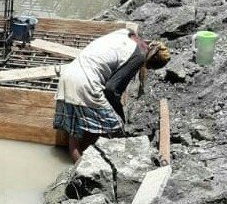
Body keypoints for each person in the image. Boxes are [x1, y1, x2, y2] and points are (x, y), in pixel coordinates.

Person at [53, 28, 170, 163]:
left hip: (67, 75)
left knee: (75, 132)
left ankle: (75, 169)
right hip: (87, 84)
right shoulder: (139, 56)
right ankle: (100, 169)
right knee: (116, 127)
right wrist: (119, 114)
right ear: (150, 61)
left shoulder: (127, 33)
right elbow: (111, 89)